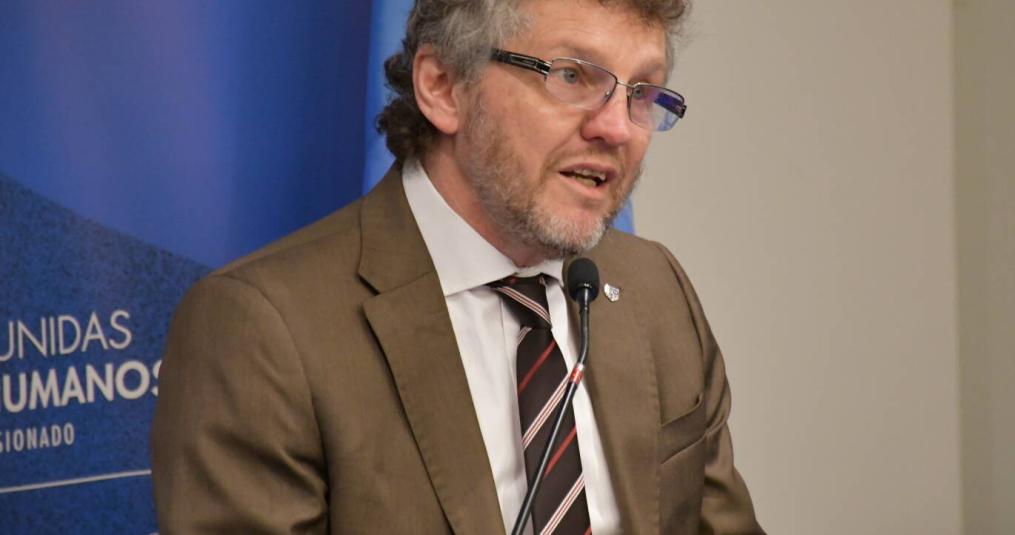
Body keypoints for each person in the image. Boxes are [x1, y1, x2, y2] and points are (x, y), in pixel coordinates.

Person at [150, 0, 761, 533]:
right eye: (572, 75)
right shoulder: (264, 329)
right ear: (443, 87)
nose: (616, 128)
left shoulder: (656, 288)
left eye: (642, 93)